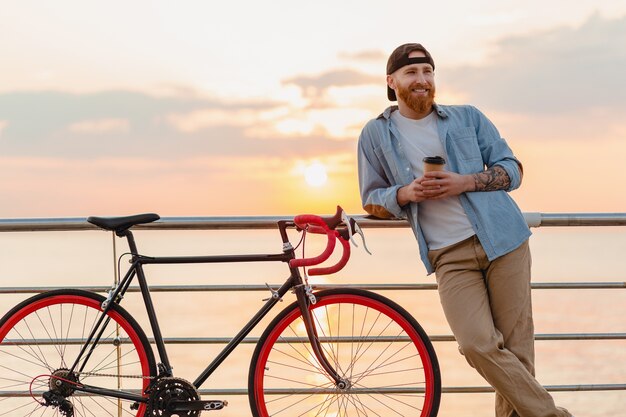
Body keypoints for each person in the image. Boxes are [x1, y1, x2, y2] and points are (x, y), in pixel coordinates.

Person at [357, 43, 572, 417]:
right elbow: (371, 198)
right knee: (476, 344)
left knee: (517, 353)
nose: (422, 80)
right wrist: (405, 193)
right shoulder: (375, 134)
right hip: (448, 255)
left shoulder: (468, 117)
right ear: (391, 82)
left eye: (428, 71)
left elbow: (513, 170)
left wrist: (465, 182)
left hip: (504, 241)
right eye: (411, 73)